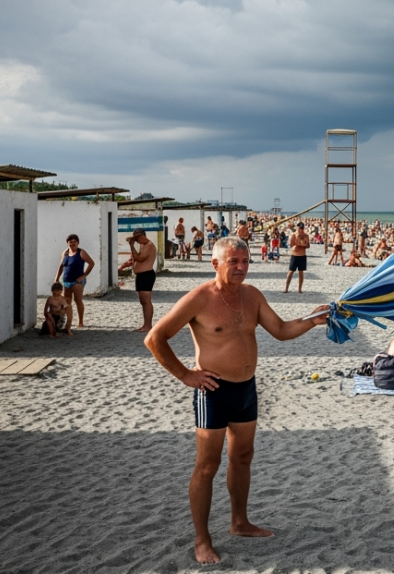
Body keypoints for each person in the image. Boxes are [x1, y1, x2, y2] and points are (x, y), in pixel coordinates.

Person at [143, 236, 330, 564]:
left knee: (243, 457)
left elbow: (282, 330)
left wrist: (311, 321)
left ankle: (239, 522)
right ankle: (202, 539)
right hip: (213, 392)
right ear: (216, 264)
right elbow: (154, 337)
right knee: (207, 466)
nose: (242, 268)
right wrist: (186, 375)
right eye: (234, 262)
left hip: (246, 390)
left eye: (245, 262)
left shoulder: (251, 295)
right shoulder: (199, 298)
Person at [120, 229, 158, 332]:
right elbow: (134, 258)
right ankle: (146, 324)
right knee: (143, 301)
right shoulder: (142, 245)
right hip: (141, 275)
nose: (136, 240)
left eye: (137, 238)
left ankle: (148, 325)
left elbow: (140, 258)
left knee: (146, 301)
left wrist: (131, 246)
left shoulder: (149, 245)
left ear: (142, 235)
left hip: (146, 274)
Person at [55, 234, 95, 329]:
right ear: (67, 243)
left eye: (74, 242)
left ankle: (80, 321)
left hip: (77, 281)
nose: (73, 244)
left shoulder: (81, 252)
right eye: (71, 242)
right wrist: (56, 280)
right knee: (67, 302)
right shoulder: (65, 253)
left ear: (78, 242)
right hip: (66, 281)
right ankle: (68, 322)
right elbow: (61, 266)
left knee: (78, 300)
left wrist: (84, 275)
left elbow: (91, 263)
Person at [284, 223, 310, 293]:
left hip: (302, 255)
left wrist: (304, 244)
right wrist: (295, 246)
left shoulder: (306, 236)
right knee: (291, 271)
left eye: (301, 229)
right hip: (295, 254)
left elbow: (308, 245)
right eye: (299, 228)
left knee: (301, 272)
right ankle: (286, 288)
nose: (300, 230)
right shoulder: (294, 235)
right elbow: (291, 244)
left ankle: (299, 289)